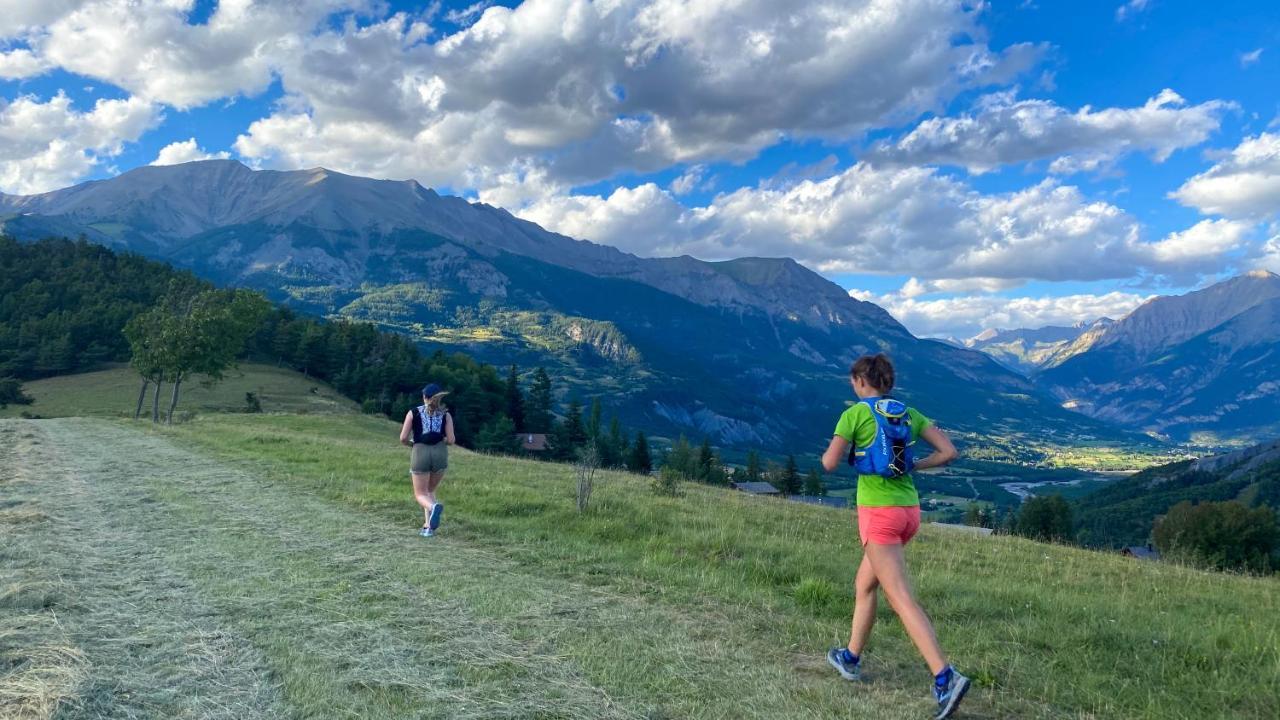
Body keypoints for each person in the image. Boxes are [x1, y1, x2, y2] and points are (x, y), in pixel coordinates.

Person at [820, 354, 969, 720]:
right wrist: (915, 465)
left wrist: (844, 448)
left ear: (859, 381)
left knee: (901, 598)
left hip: (879, 515)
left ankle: (945, 677)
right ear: (888, 382)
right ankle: (851, 657)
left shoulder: (854, 414)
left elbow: (829, 463)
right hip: (908, 513)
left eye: (852, 381)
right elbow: (949, 452)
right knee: (864, 585)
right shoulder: (908, 413)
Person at [399, 383, 455, 537]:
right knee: (429, 490)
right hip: (440, 453)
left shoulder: (413, 412)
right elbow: (451, 440)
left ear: (424, 397)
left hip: (420, 452)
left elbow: (403, 438)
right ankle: (428, 527)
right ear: (439, 397)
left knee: (420, 494)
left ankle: (433, 507)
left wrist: (413, 444)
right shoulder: (446, 414)